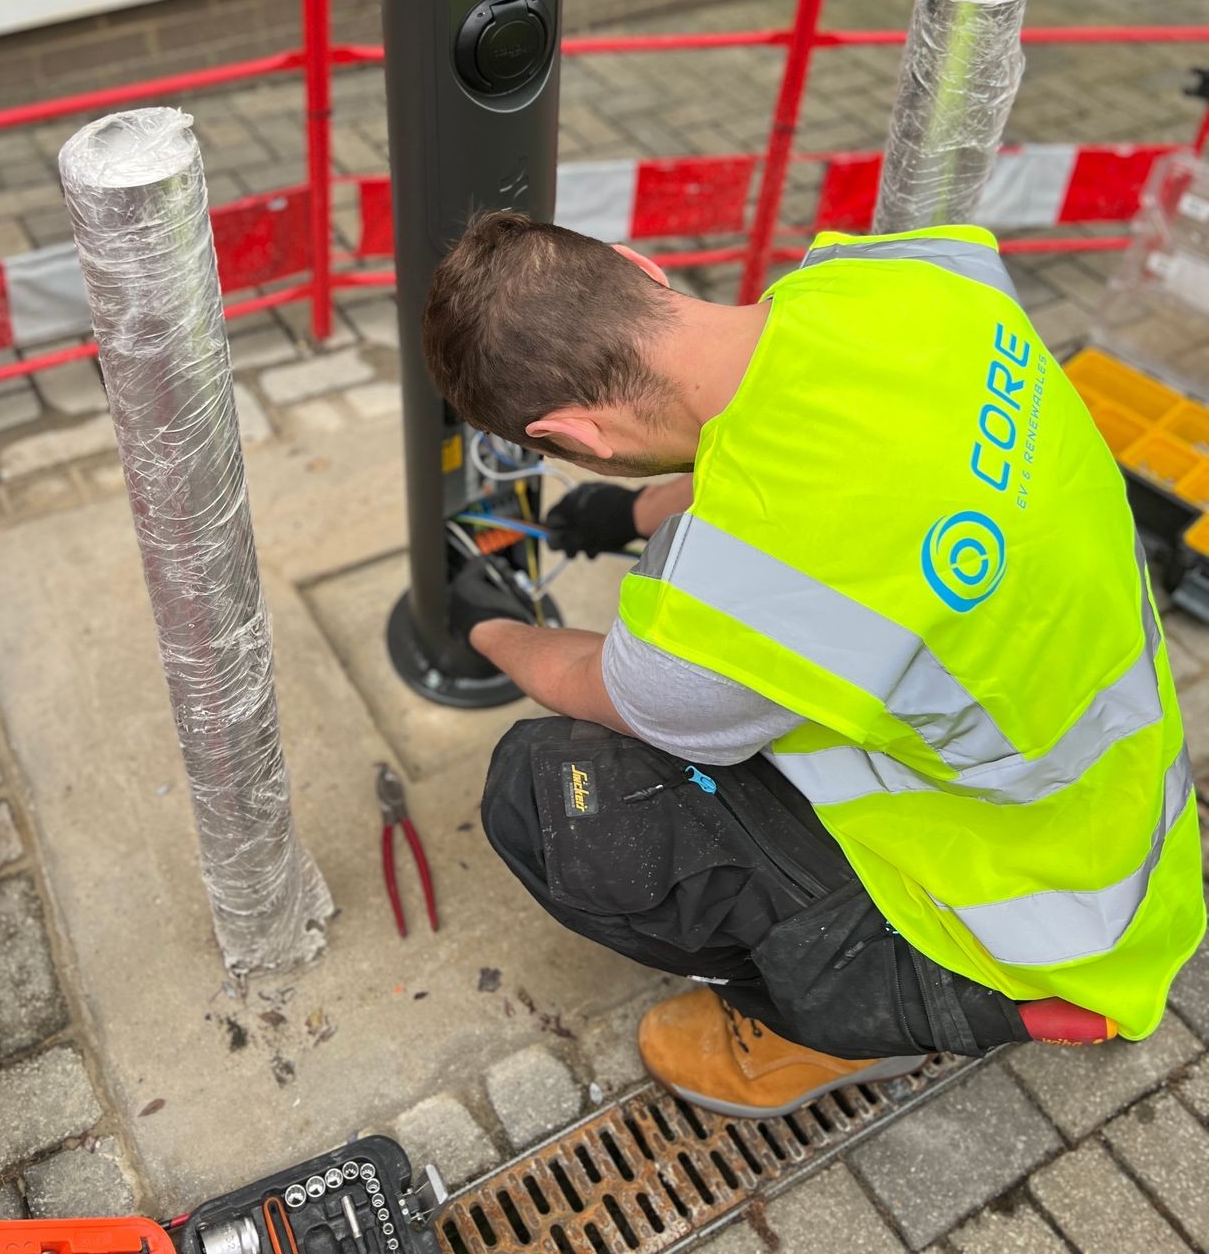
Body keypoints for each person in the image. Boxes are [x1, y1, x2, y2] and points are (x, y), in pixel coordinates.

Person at [420, 211, 1205, 1118]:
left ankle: (824, 1025)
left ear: (578, 436)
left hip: (1039, 924)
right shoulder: (904, 272)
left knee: (544, 793)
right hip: (1120, 807)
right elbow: (792, 433)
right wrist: (620, 520)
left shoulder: (718, 617)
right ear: (641, 266)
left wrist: (484, 624)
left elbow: (593, 682)